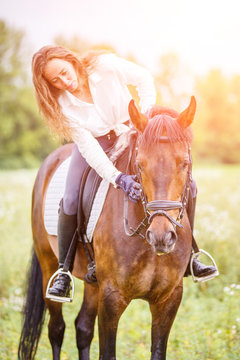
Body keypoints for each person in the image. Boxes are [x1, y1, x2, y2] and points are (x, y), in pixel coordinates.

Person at [32, 45, 217, 301]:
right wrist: (117, 177)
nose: (65, 82)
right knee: (71, 198)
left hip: (135, 130)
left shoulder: (105, 65)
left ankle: (191, 255)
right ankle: (64, 271)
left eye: (64, 72)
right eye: (56, 81)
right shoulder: (64, 104)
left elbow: (144, 79)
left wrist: (145, 120)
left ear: (71, 61)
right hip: (95, 145)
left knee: (191, 185)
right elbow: (88, 147)